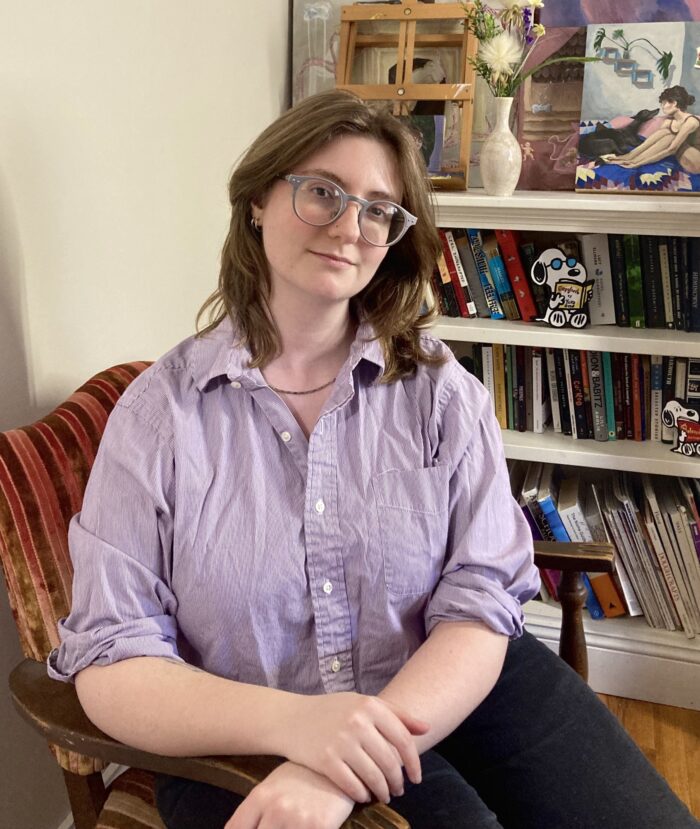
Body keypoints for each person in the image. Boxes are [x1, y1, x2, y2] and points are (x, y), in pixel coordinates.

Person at [48, 89, 698, 829]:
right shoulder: (161, 417)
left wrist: (347, 748)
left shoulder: (441, 394)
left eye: (379, 209)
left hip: (452, 682)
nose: (349, 227)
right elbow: (112, 661)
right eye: (322, 192)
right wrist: (299, 730)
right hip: (237, 737)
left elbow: (481, 597)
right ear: (258, 199)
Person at [600, 85, 700, 173]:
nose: (662, 107)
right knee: (665, 133)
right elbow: (648, 144)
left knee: (669, 137)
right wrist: (627, 157)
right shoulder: (669, 122)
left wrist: (637, 163)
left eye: (664, 103)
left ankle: (632, 160)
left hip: (696, 162)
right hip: (682, 159)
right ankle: (629, 157)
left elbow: (671, 149)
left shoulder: (691, 122)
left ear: (674, 103)